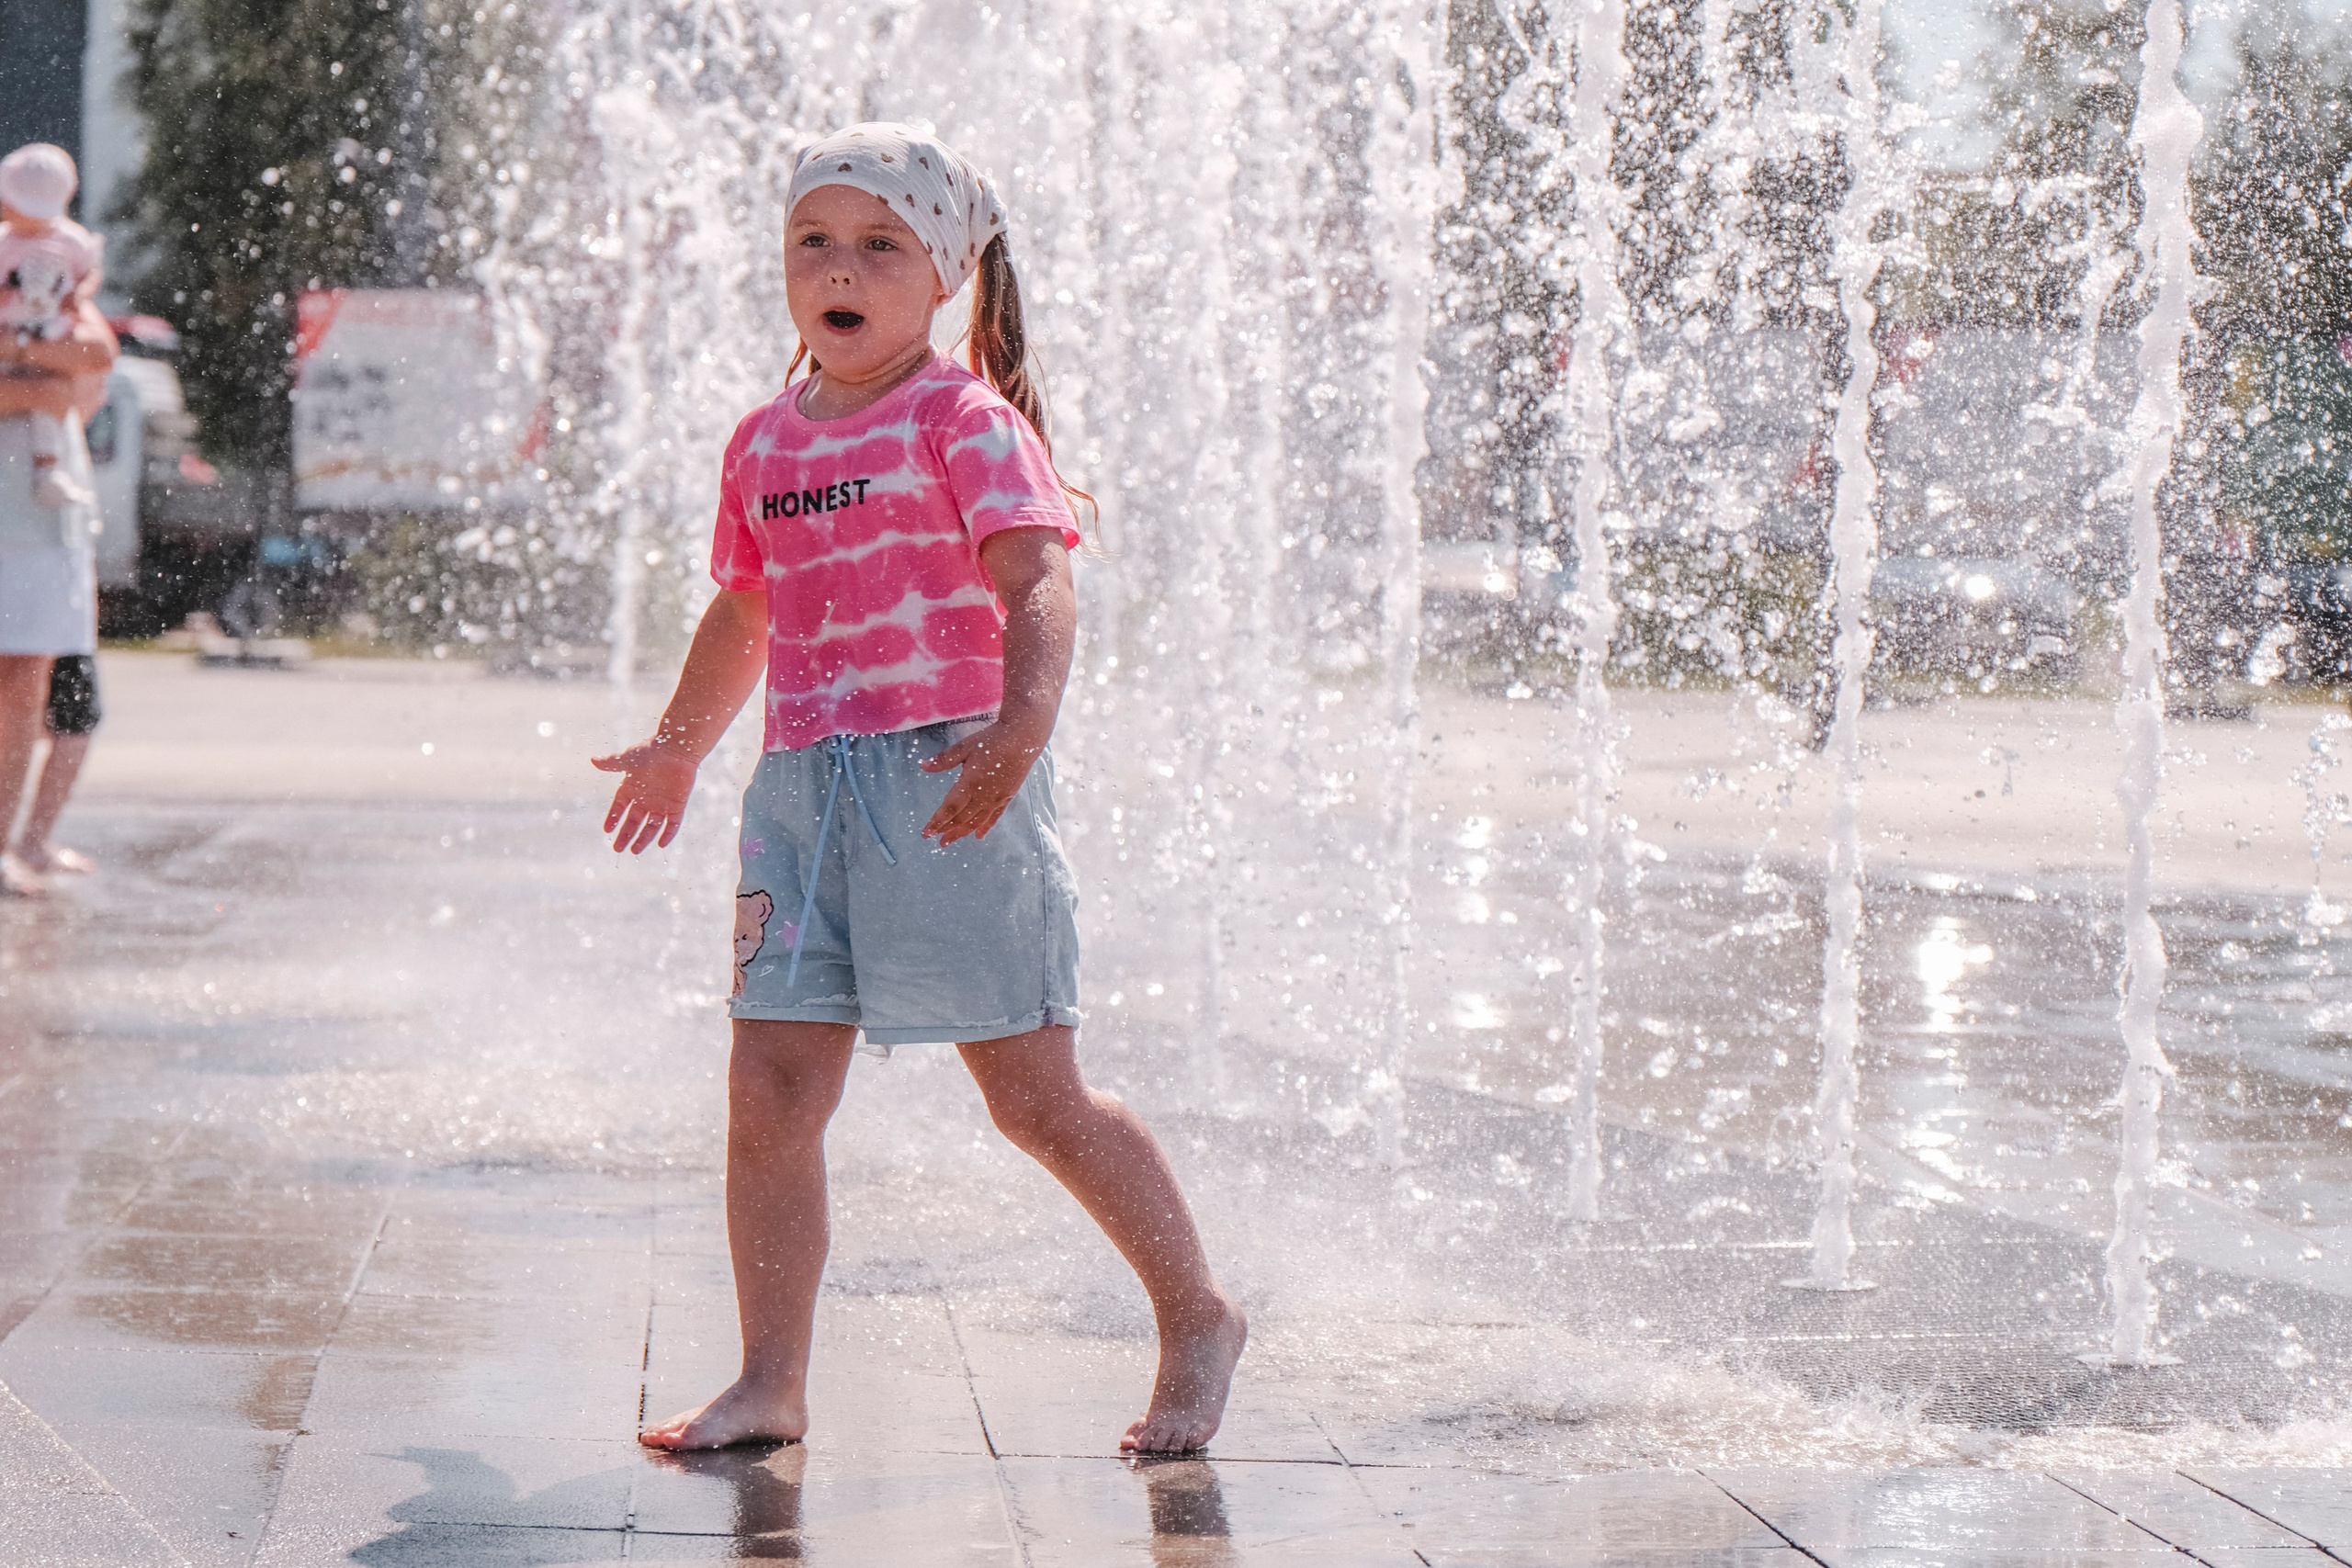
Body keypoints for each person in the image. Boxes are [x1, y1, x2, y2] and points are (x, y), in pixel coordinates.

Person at [594, 123, 1246, 1455]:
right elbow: (747, 609)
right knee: (770, 1094)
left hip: (951, 780)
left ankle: (1197, 1312)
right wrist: (677, 744)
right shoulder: (762, 441)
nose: (841, 267)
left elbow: (1037, 577)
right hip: (800, 797)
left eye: (881, 245)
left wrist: (1022, 723)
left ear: (945, 275)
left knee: (1033, 1098)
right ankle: (770, 1378)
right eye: (813, 241)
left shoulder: (964, 420)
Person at [0, 167, 112, 898]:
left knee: (27, 679)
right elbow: (58, 380)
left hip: (42, 515)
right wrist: (42, 374)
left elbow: (95, 359)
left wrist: (21, 359)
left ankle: (10, 844)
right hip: (22, 503)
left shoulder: (68, 295)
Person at [0, 144, 103, 509]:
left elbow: (100, 354)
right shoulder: (5, 241)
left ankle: (48, 469)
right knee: (49, 392)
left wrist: (79, 295)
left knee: (53, 394)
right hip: (16, 334)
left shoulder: (70, 240)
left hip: (48, 331)